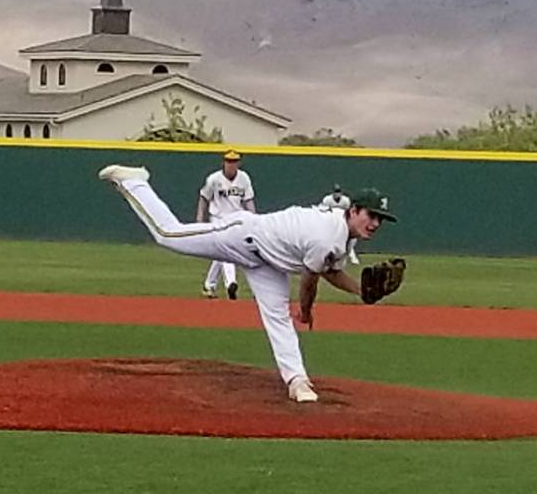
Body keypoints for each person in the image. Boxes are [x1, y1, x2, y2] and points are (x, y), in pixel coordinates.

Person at [98, 164, 397, 403]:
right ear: (354, 210)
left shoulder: (340, 236)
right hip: (242, 237)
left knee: (278, 318)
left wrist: (360, 291)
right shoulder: (327, 235)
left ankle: (297, 381)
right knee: (169, 234)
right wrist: (306, 312)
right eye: (371, 215)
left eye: (380, 220)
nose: (375, 224)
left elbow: (331, 270)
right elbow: (311, 280)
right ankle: (134, 181)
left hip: (269, 262)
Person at [197, 149, 256, 300]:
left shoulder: (244, 178)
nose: (231, 164)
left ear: (238, 163)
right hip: (218, 218)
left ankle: (209, 285)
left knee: (220, 253)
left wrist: (255, 220)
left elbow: (248, 200)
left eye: (234, 161)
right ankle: (231, 282)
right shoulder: (214, 179)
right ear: (224, 163)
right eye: (228, 161)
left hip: (236, 219)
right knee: (227, 249)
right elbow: (204, 197)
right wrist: (200, 218)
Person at [321, 184, 359, 265]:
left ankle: (351, 256)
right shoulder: (327, 200)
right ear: (332, 193)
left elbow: (349, 213)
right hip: (331, 222)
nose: (337, 194)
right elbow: (323, 212)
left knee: (350, 239)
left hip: (343, 222)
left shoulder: (345, 201)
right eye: (336, 192)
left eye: (339, 192)